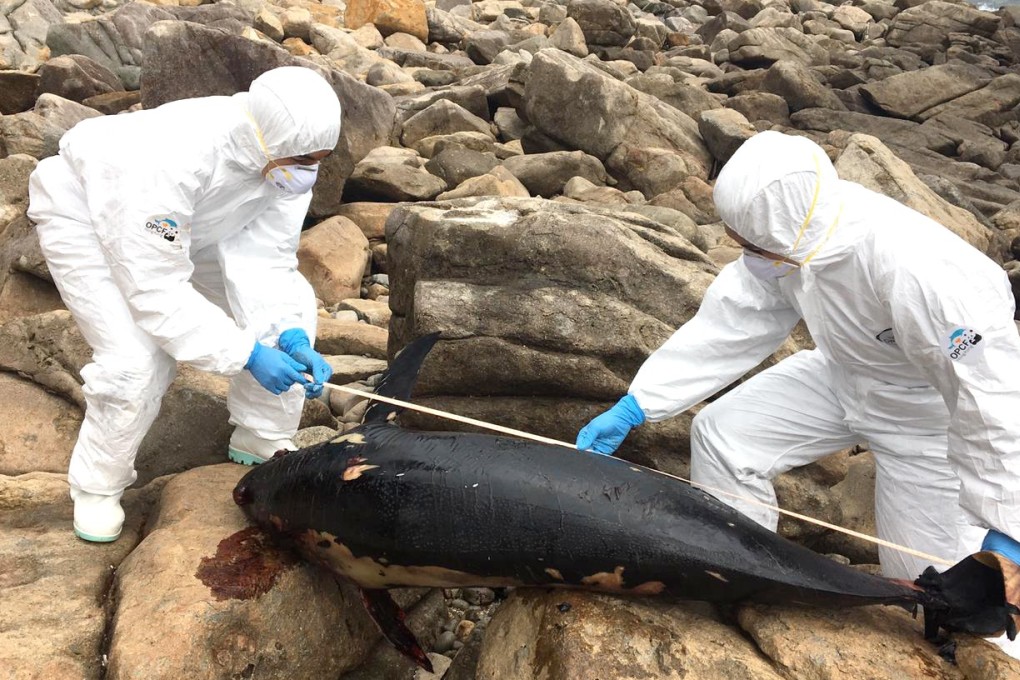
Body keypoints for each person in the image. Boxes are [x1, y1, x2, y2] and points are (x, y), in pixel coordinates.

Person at [576, 131, 1019, 649]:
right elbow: (738, 317)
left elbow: (991, 398)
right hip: (841, 373)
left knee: (941, 593)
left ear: (790, 233)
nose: (745, 253)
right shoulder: (785, 241)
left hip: (926, 420)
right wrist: (640, 402)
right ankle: (740, 575)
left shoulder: (921, 271)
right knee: (724, 435)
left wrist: (1007, 531)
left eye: (752, 246)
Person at [26, 66, 339, 543]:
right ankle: (97, 486)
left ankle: (260, 433)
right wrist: (247, 354)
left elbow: (266, 261)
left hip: (193, 226)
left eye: (319, 160)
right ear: (269, 140)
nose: (310, 172)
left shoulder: (283, 165)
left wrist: (286, 334)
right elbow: (156, 290)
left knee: (295, 299)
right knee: (136, 360)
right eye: (305, 159)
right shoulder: (175, 155)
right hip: (88, 215)